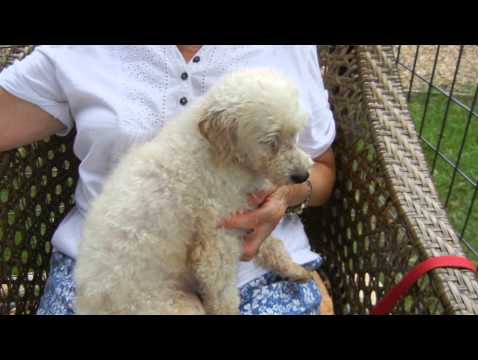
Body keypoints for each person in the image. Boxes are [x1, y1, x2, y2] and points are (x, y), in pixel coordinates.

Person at [0, 45, 336, 315]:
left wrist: (287, 195)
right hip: (119, 272)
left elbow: (321, 168)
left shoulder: (287, 50)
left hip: (258, 274)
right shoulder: (77, 52)